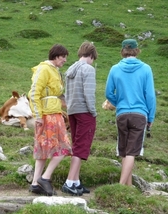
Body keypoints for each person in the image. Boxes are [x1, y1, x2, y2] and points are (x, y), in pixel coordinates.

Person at [105, 39, 156, 186]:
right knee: (132, 152)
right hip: (140, 114)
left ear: (122, 51)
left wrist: (119, 102)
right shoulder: (146, 68)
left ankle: (128, 187)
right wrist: (150, 116)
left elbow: (109, 93)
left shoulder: (115, 69)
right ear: (136, 50)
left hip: (121, 114)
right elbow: (150, 96)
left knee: (124, 151)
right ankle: (121, 186)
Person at [28, 44, 72, 196]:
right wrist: (38, 115)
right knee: (63, 147)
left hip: (55, 112)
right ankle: (45, 178)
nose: (65, 60)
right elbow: (34, 92)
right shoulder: (45, 69)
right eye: (63, 57)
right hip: (47, 115)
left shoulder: (55, 71)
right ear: (55, 56)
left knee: (44, 149)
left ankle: (35, 183)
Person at [62, 41, 98, 196]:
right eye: (93, 58)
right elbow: (89, 93)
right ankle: (69, 182)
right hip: (84, 111)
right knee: (82, 146)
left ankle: (76, 181)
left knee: (76, 144)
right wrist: (93, 112)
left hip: (72, 111)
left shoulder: (70, 69)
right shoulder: (88, 69)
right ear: (91, 55)